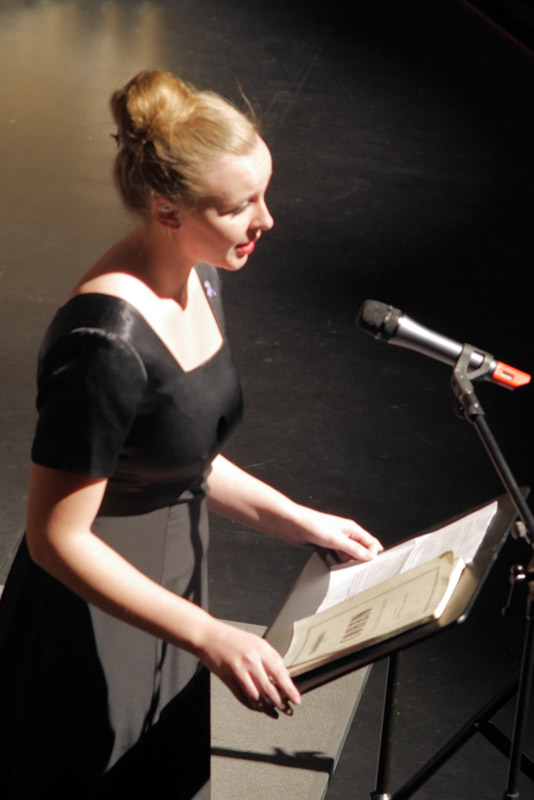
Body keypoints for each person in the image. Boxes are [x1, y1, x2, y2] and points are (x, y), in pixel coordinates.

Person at [0, 69, 382, 798]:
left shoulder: (203, 277)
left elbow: (177, 453)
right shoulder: (104, 344)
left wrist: (293, 518)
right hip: (94, 618)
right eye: (240, 207)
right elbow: (55, 539)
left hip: (171, 596)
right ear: (166, 210)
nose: (266, 220)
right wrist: (208, 634)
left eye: (263, 194)